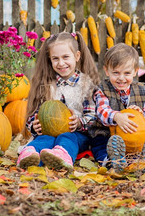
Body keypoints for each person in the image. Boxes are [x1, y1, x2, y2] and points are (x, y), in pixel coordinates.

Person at [17, 32, 99, 171]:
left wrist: (79, 123)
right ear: (50, 60)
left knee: (67, 138)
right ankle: (29, 155)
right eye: (55, 58)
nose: (61, 63)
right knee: (43, 140)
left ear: (77, 56)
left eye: (66, 57)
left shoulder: (86, 84)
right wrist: (34, 125)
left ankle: (62, 157)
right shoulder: (46, 85)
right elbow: (35, 113)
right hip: (49, 133)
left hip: (76, 135)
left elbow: (93, 117)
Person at [92, 43, 145, 169]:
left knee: (141, 144)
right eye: (116, 73)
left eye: (127, 73)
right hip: (107, 134)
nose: (121, 78)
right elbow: (102, 111)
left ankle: (143, 161)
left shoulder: (144, 92)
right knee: (100, 145)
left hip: (134, 136)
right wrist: (117, 116)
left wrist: (141, 116)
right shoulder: (102, 90)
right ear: (107, 71)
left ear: (135, 72)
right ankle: (111, 161)